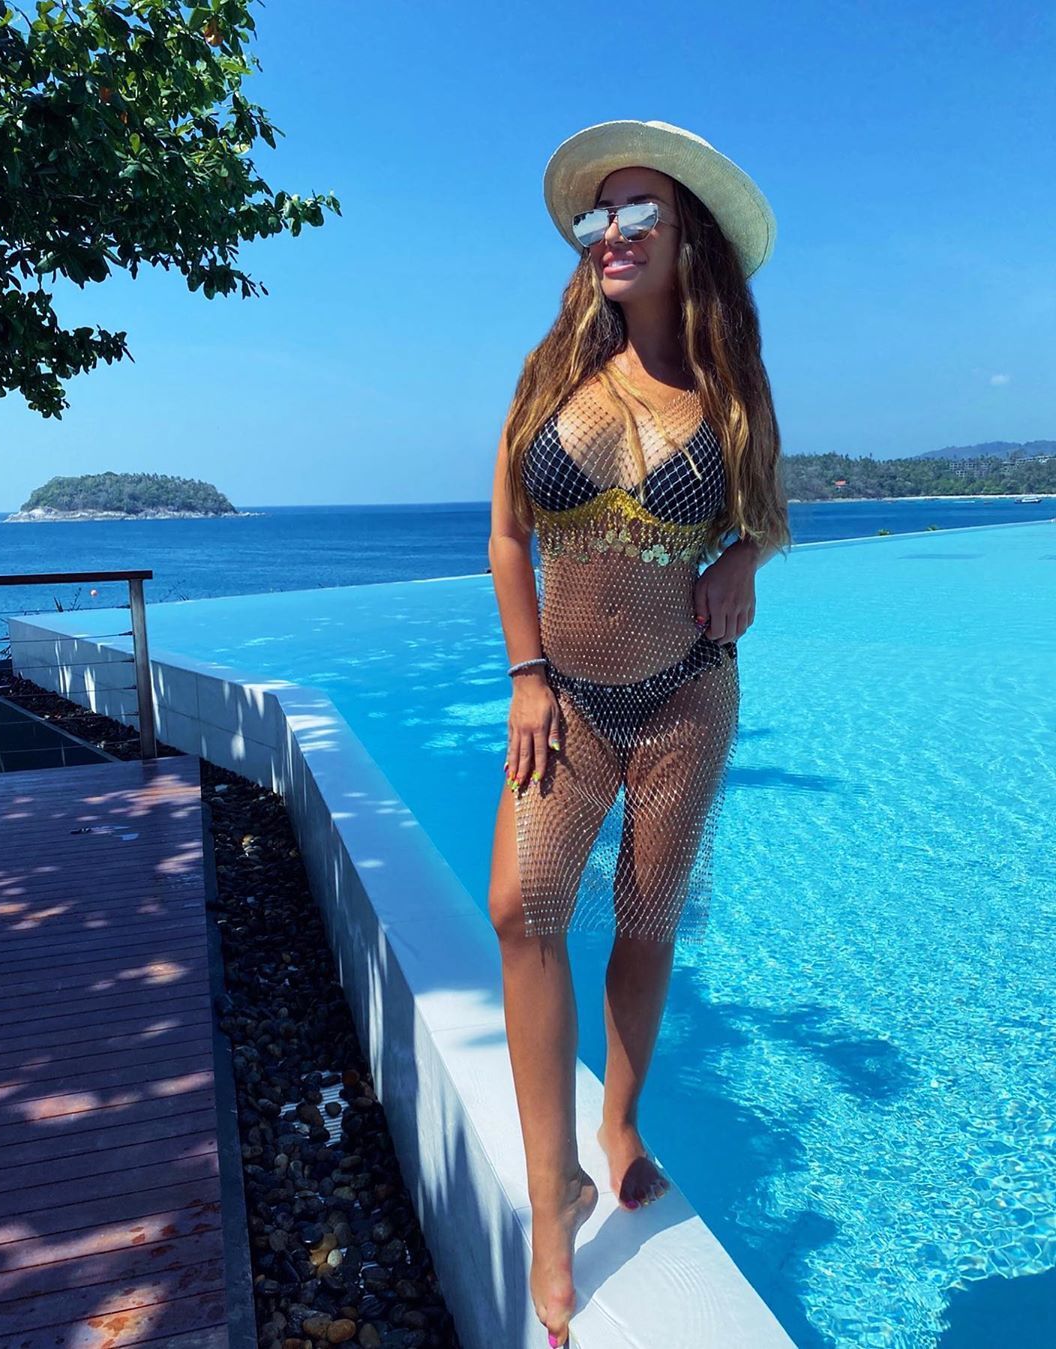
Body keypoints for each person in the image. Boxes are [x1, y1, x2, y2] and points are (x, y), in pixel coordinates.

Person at [486, 119, 792, 1346]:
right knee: (522, 908)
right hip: (565, 696)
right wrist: (527, 674)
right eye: (595, 216)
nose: (609, 234)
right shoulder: (551, 370)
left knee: (646, 920)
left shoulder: (731, 387)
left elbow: (767, 513)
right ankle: (552, 1195)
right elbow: (507, 535)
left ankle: (618, 1124)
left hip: (683, 697)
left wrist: (743, 558)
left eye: (637, 213)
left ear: (688, 239)